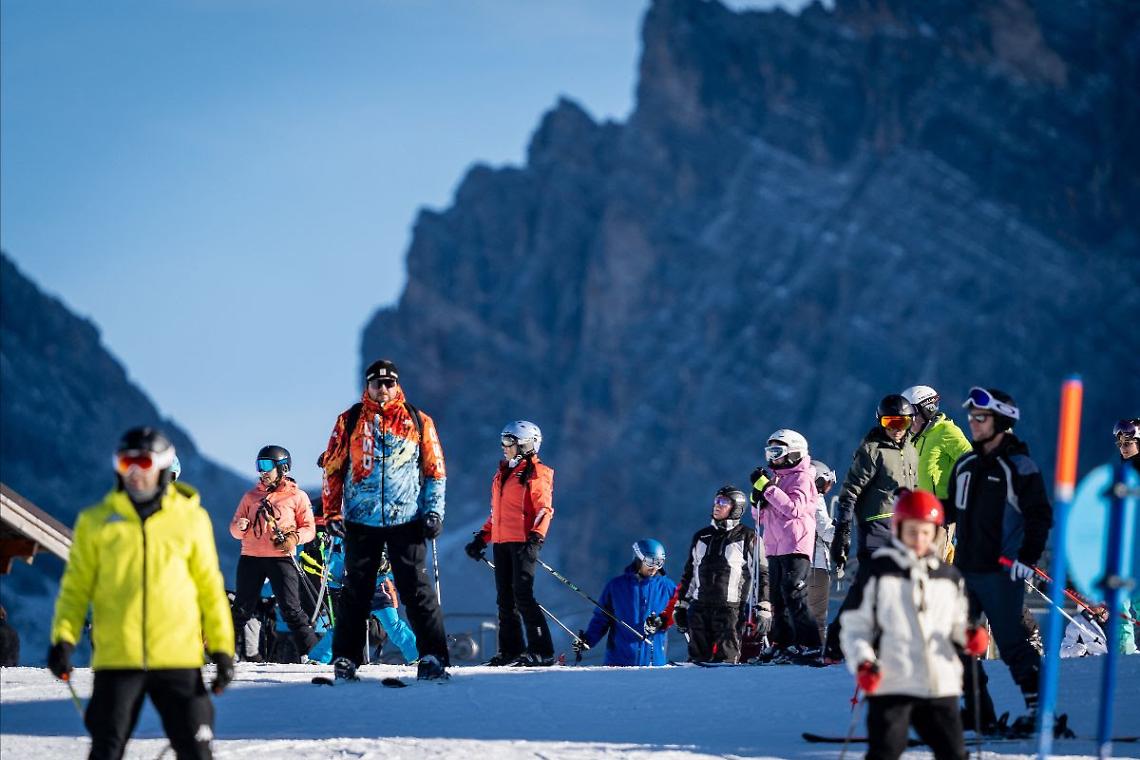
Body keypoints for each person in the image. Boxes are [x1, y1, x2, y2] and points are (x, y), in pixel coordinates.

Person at [49, 427, 234, 760]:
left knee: (196, 750)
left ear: (162, 467)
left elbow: (210, 589)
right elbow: (76, 588)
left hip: (177, 657)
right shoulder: (97, 521)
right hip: (119, 658)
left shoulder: (191, 520)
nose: (134, 474)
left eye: (143, 464)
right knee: (106, 749)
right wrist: (64, 639)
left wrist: (222, 648)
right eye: (125, 464)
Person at [321, 359, 449, 681]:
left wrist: (433, 512)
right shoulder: (349, 420)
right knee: (355, 592)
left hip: (406, 518)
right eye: (376, 383)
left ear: (397, 385)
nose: (382, 388)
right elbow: (333, 469)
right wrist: (332, 512)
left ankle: (432, 656)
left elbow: (436, 472)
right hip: (361, 520)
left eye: (388, 382)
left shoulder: (418, 421)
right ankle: (346, 659)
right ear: (367, 386)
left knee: (416, 590)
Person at [840, 489, 987, 760]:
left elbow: (957, 623)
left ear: (935, 533)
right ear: (898, 529)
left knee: (954, 753)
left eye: (925, 532)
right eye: (911, 531)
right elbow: (855, 626)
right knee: (886, 752)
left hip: (939, 683)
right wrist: (864, 662)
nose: (919, 539)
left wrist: (969, 636)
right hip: (893, 681)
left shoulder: (948, 576)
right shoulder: (879, 571)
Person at [947, 387, 1052, 735]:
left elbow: (1039, 515)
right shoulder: (966, 464)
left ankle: (1041, 712)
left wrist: (1027, 557)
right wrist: (918, 506)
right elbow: (951, 509)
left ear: (1002, 421)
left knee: (1010, 643)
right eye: (972, 418)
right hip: (965, 569)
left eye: (981, 418)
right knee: (956, 641)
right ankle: (978, 712)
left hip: (1001, 570)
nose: (973, 424)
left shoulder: (1019, 466)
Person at [824, 394, 919, 661]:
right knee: (871, 583)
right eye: (890, 422)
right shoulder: (872, 450)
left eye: (903, 422)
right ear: (881, 421)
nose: (896, 429)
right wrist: (842, 531)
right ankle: (836, 640)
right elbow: (849, 492)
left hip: (904, 529)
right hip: (875, 525)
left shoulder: (911, 449)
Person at [465, 421, 555, 666]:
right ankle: (511, 650)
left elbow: (544, 509)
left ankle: (542, 651)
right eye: (503, 442)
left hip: (523, 543)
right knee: (505, 599)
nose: (503, 447)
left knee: (522, 595)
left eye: (509, 442)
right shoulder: (503, 473)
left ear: (526, 445)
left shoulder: (536, 473)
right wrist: (481, 537)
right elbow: (497, 513)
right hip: (502, 543)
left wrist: (536, 538)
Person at [229, 445, 319, 660]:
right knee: (242, 608)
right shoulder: (250, 496)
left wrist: (294, 539)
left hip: (281, 558)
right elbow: (233, 530)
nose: (262, 471)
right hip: (251, 557)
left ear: (282, 467)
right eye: (259, 465)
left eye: (267, 465)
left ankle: (314, 654)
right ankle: (223, 652)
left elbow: (309, 528)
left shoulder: (297, 497)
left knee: (291, 609)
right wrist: (240, 527)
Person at [751, 429, 821, 663]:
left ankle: (810, 644)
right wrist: (757, 497)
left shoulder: (802, 477)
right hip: (774, 546)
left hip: (795, 544)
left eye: (778, 452)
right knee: (777, 598)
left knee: (794, 591)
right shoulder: (776, 479)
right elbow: (759, 517)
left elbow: (794, 509)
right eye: (769, 452)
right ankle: (783, 643)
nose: (773, 457)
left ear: (794, 452)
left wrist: (769, 489)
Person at [674, 486, 757, 663]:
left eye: (724, 502)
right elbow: (689, 574)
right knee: (697, 661)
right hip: (699, 608)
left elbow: (761, 575)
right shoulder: (702, 536)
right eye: (716, 501)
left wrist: (763, 608)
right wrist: (681, 605)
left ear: (736, 508)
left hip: (730, 610)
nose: (717, 506)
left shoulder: (748, 537)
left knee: (726, 663)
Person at [572, 539, 677, 666]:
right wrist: (587, 640)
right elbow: (601, 619)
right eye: (650, 562)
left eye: (659, 562)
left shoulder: (668, 588)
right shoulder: (616, 586)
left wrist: (661, 622)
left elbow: (678, 614)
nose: (655, 567)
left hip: (654, 665)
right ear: (639, 559)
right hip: (618, 665)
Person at [308, 548, 419, 664]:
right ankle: (317, 659)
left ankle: (417, 656)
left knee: (393, 625)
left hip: (379, 589)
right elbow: (339, 558)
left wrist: (386, 561)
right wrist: (334, 583)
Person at [900, 385, 972, 561]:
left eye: (911, 416)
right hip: (913, 512)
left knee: (932, 564)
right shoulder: (910, 438)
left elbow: (972, 463)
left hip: (939, 513)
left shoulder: (946, 431)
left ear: (926, 411)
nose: (906, 422)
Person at [808, 460, 837, 649]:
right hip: (816, 561)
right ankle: (818, 649)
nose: (827, 488)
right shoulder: (815, 499)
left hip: (797, 561)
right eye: (826, 482)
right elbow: (825, 530)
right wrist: (841, 528)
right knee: (818, 613)